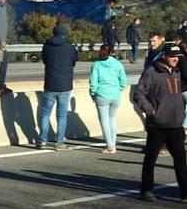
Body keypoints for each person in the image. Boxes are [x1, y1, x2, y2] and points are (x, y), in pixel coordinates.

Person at [130, 45, 187, 204]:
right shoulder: (152, 72)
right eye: (172, 56)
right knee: (151, 158)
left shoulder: (177, 72)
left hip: (176, 124)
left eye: (178, 56)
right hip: (158, 124)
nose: (176, 59)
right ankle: (147, 189)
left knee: (181, 160)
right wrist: (150, 110)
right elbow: (139, 94)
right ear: (164, 56)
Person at [35, 18, 78, 150]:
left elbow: (45, 60)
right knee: (62, 115)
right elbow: (74, 62)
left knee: (45, 113)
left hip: (50, 83)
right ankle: (59, 142)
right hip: (65, 84)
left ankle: (42, 140)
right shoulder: (70, 48)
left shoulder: (47, 46)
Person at [87, 45, 129, 155]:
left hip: (102, 94)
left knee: (104, 121)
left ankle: (110, 146)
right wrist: (118, 89)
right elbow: (123, 81)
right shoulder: (117, 64)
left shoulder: (96, 65)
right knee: (112, 119)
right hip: (115, 94)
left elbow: (93, 82)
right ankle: (113, 143)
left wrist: (93, 94)